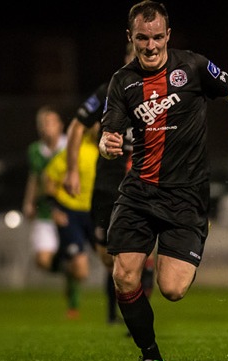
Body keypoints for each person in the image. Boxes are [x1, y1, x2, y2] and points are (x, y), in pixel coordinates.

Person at [98, 1, 228, 361]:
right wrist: (107, 146)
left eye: (158, 37)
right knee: (124, 276)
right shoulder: (122, 81)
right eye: (142, 38)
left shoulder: (192, 65)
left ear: (167, 36)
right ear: (131, 38)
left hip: (186, 196)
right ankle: (151, 358)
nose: (151, 45)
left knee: (172, 290)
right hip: (139, 190)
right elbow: (108, 135)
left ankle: (185, 243)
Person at [63, 43, 155, 326]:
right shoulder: (108, 91)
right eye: (133, 53)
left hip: (141, 183)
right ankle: (119, 305)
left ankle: (137, 319)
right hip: (107, 185)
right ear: (127, 57)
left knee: (135, 256)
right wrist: (72, 171)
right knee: (107, 257)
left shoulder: (159, 92)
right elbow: (77, 125)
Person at [43, 123, 100, 319]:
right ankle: (67, 270)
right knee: (81, 271)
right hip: (71, 213)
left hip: (93, 213)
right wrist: (55, 209)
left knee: (111, 260)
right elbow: (49, 177)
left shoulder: (104, 150)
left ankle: (116, 314)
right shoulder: (73, 150)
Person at [22, 105, 67, 272]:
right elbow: (34, 177)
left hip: (66, 210)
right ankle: (64, 267)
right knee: (42, 260)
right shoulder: (35, 150)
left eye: (50, 122)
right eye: (43, 123)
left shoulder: (69, 147)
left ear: (60, 125)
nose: (46, 126)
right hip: (44, 210)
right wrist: (28, 202)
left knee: (77, 263)